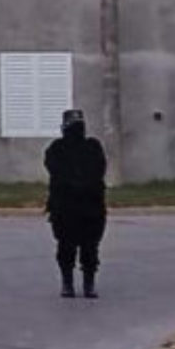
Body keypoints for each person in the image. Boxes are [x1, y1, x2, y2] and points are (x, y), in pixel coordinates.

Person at [45, 109, 108, 299]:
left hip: (90, 206)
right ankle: (68, 283)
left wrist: (83, 185)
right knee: (67, 246)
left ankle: (88, 283)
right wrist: (74, 185)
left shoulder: (93, 146)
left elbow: (99, 170)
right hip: (66, 206)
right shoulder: (56, 148)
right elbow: (54, 170)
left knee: (89, 247)